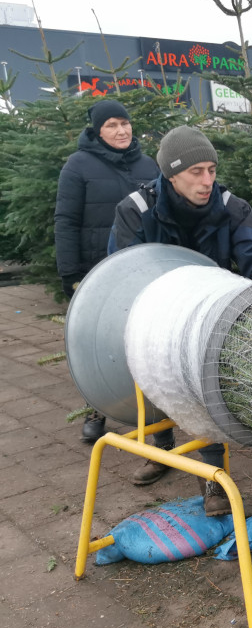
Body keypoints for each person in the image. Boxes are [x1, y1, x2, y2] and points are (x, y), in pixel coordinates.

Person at [108, 125, 252, 515]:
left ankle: (213, 480)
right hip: (153, 318)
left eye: (212, 170)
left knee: (202, 388)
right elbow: (120, 276)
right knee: (151, 380)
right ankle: (161, 451)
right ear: (171, 174)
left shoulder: (231, 207)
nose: (207, 181)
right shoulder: (135, 211)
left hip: (205, 320)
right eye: (196, 172)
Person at [55, 99, 162, 444]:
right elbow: (66, 221)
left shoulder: (148, 165)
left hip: (141, 269)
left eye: (125, 123)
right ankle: (96, 408)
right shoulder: (78, 166)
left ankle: (158, 420)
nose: (121, 131)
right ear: (97, 131)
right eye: (112, 125)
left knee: (147, 340)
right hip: (96, 269)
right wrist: (70, 273)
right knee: (97, 342)